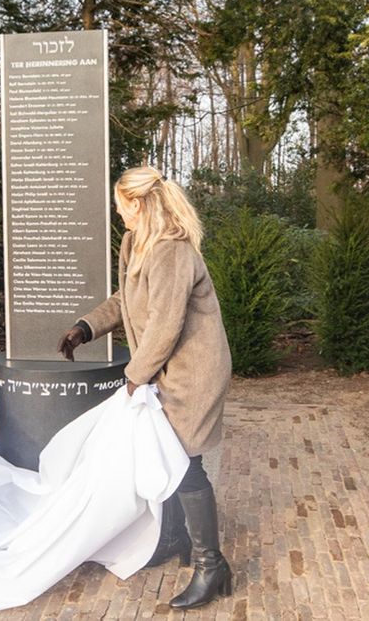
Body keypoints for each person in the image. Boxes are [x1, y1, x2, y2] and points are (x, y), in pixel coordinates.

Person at [56, 165, 233, 610]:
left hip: (193, 370)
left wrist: (135, 375)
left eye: (121, 206)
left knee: (185, 461)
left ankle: (211, 566)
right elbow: (126, 300)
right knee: (165, 454)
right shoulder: (136, 242)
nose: (119, 214)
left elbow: (165, 323)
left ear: (139, 204)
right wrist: (85, 327)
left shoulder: (172, 250)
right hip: (163, 367)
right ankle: (175, 538)